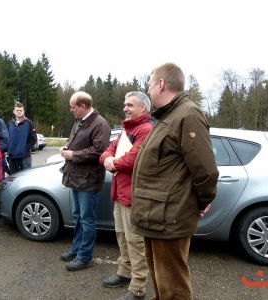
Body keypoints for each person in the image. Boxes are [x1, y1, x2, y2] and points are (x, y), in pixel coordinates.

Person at [131, 63, 219, 300]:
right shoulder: (168, 116)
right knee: (162, 284)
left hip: (169, 216)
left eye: (149, 84)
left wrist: (200, 202)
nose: (148, 90)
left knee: (174, 288)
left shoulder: (187, 116)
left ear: (161, 84)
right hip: (156, 214)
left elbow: (206, 171)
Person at [99, 92, 153, 300]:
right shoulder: (126, 129)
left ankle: (138, 287)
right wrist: (107, 159)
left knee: (135, 241)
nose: (125, 108)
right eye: (124, 104)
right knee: (122, 236)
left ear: (143, 108)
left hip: (134, 195)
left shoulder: (145, 130)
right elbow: (108, 150)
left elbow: (133, 160)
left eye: (130, 105)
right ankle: (124, 273)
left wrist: (112, 162)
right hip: (120, 192)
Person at [59, 91, 110, 271]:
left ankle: (84, 256)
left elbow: (99, 151)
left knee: (87, 219)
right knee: (78, 217)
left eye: (73, 107)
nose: (71, 110)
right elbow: (76, 142)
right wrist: (67, 146)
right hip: (77, 178)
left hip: (88, 180)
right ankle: (77, 249)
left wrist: (73, 155)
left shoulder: (100, 124)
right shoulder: (80, 122)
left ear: (83, 106)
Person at [6, 102, 37, 173]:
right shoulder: (10, 124)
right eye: (17, 110)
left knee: (25, 177)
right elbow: (6, 139)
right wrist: (8, 150)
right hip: (12, 156)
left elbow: (33, 139)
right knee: (13, 178)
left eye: (21, 110)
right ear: (14, 111)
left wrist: (25, 148)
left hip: (25, 156)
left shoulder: (29, 123)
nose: (19, 112)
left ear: (23, 111)